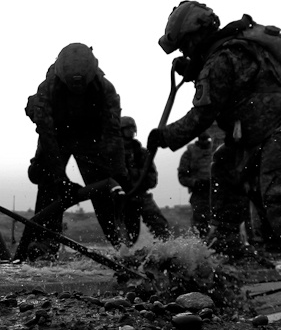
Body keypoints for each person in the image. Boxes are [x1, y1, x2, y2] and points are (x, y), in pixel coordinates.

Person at [147, 0, 281, 318]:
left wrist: (166, 136)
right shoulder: (228, 51)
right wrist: (196, 69)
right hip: (266, 132)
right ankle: (227, 253)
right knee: (225, 164)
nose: (185, 53)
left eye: (185, 46)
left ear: (195, 35)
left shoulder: (222, 58)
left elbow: (204, 114)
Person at [22, 43, 129, 260]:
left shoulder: (105, 89)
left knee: (102, 187)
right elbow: (48, 137)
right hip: (57, 135)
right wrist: (60, 178)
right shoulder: (47, 90)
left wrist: (118, 173)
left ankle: (122, 245)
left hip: (90, 136)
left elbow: (112, 134)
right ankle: (43, 245)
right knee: (48, 185)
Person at [120, 115, 171, 244]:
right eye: (127, 129)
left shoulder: (143, 153)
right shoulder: (116, 154)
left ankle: (166, 251)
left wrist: (139, 177)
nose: (131, 131)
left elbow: (153, 178)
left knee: (161, 226)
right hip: (123, 198)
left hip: (141, 195)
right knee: (128, 233)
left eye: (133, 128)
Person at [178, 131, 214, 238]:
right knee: (200, 226)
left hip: (217, 193)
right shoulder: (189, 153)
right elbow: (182, 176)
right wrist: (196, 183)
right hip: (199, 193)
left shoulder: (216, 149)